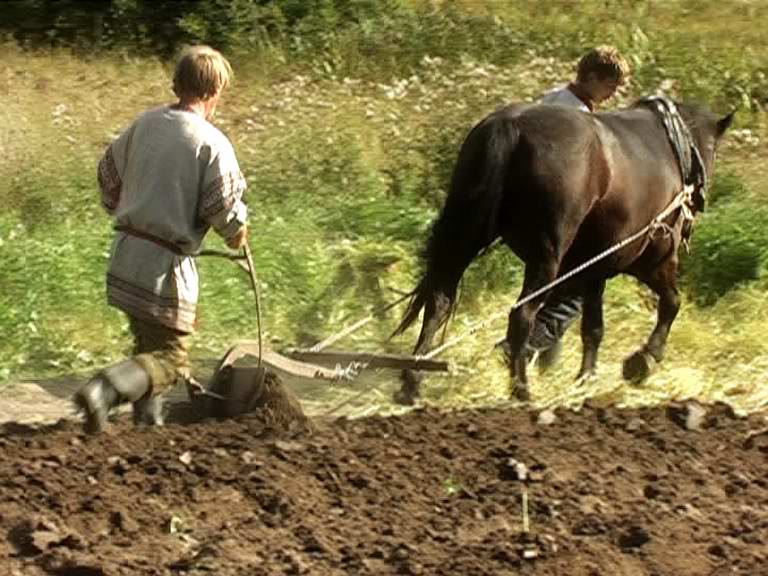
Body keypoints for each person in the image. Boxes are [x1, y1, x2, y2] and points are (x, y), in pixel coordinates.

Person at [74, 45, 249, 433]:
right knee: (170, 362)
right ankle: (102, 390)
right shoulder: (211, 142)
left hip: (126, 255)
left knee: (148, 351)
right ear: (215, 90)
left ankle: (147, 428)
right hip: (163, 268)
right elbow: (224, 208)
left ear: (178, 82)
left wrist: (133, 208)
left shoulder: (145, 123)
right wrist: (237, 232)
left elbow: (107, 175)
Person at [531, 46, 630, 368]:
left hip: (540, 211)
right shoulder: (578, 117)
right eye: (610, 86)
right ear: (590, 78)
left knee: (550, 286)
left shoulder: (551, 98)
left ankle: (547, 362)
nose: (613, 94)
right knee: (576, 287)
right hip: (565, 213)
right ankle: (531, 344)